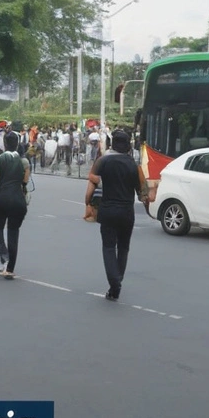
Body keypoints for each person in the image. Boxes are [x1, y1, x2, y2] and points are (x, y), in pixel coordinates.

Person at [84, 129, 148, 302]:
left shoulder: (102, 161)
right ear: (128, 147)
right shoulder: (135, 166)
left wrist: (88, 201)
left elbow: (92, 178)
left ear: (112, 144)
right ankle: (118, 279)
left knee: (109, 247)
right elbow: (143, 194)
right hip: (127, 212)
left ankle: (114, 284)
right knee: (124, 247)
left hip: (108, 210)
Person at [0, 132, 30, 280]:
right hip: (18, 200)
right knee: (13, 231)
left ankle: (4, 256)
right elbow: (25, 181)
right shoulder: (24, 162)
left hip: (1, 199)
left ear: (5, 143)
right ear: (18, 143)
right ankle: (10, 269)